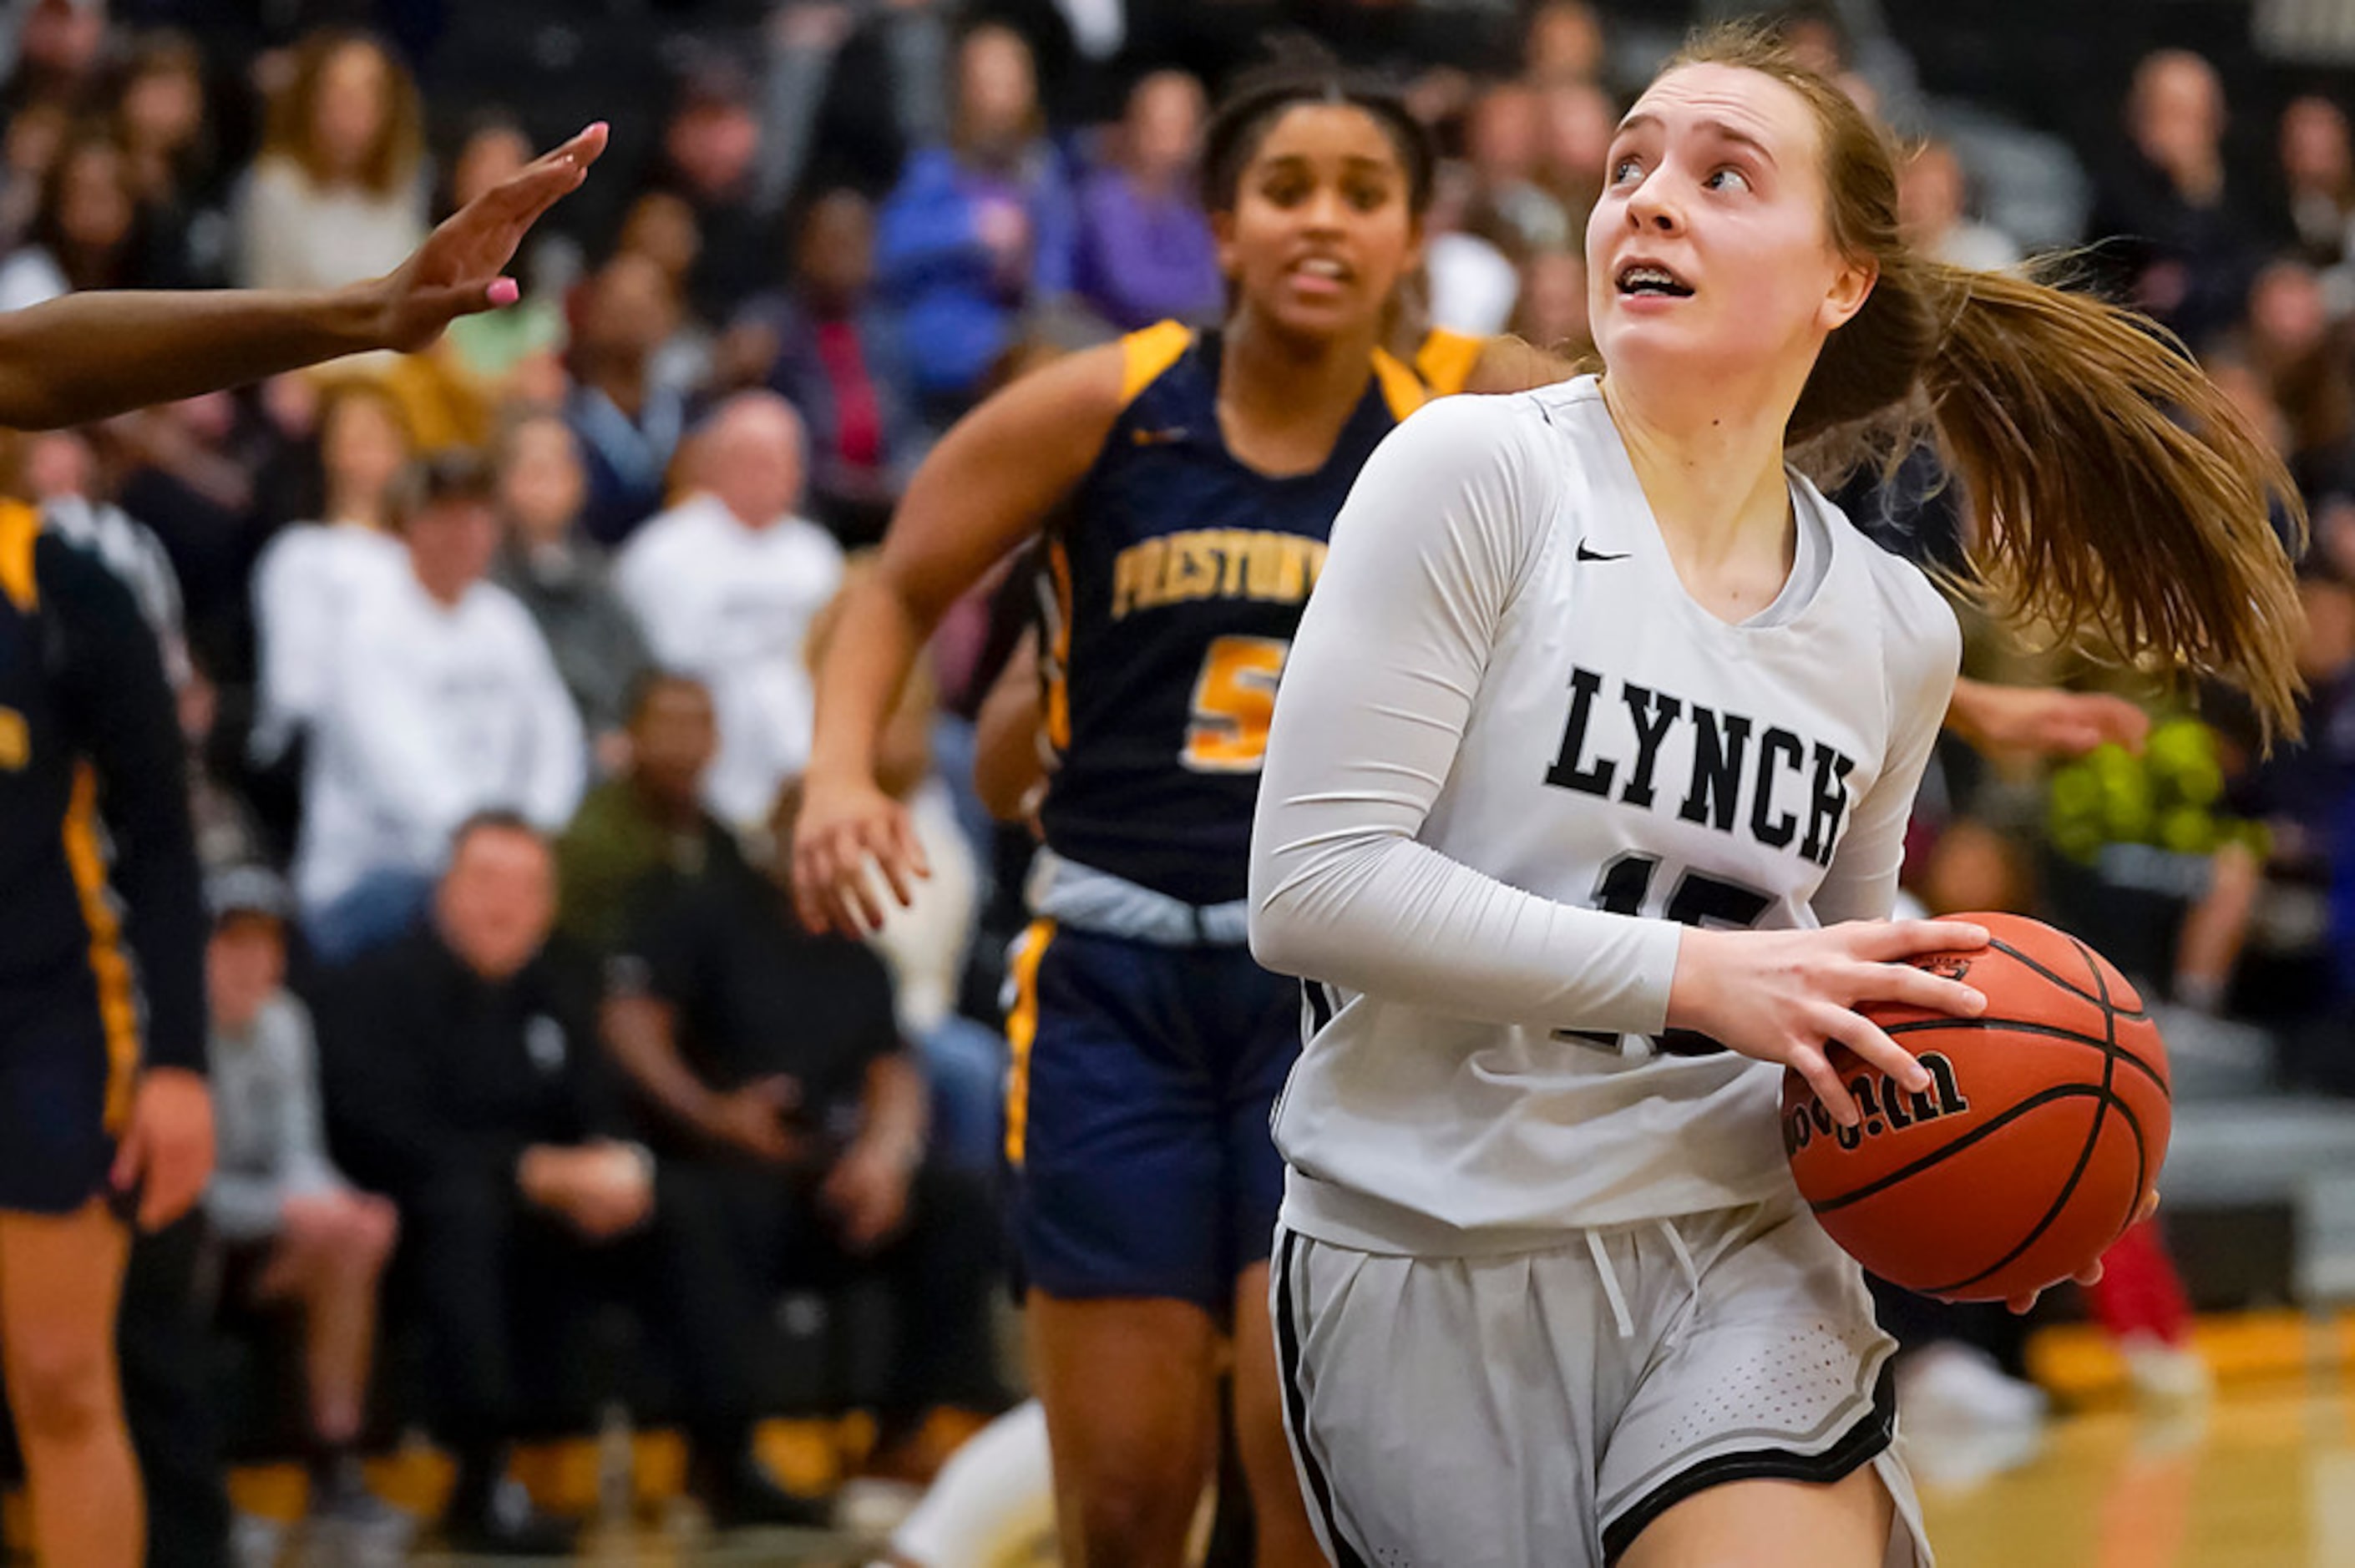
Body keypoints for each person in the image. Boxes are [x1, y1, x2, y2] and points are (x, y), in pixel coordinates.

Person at [1241, 26, 2301, 1568]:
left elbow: (1832, 1000)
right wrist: (1708, 975)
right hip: (1428, 1248)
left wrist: (1981, 1161)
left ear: (1841, 278)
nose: (1647, 201)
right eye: (1628, 168)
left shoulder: (1894, 626)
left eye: (1721, 173)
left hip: (1737, 1251)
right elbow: (1315, 885)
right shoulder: (1475, 473)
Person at [797, 45, 1504, 1568]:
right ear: (1221, 225)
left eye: (1364, 194)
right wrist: (843, 768)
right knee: (1124, 1497)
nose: (1324, 221)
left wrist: (1950, 691)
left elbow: (1712, 498)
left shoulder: (1472, 416)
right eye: (1286, 189)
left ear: (1410, 239)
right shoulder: (1103, 405)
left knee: (1302, 1472)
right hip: (1110, 980)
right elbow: (895, 583)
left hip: (1334, 998)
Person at [0, 119, 603, 1568]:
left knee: (67, 1381)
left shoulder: (62, 584)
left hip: (36, 1001)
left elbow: (37, 354)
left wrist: (363, 317)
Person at [201, 864, 400, 1525]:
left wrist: (345, 1208)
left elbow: (301, 1155)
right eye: (232, 943)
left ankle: (334, 1462)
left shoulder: (285, 1023)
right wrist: (288, 1209)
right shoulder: (168, 1030)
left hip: (252, 1239)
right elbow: (174, 1189)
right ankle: (202, 1482)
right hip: (179, 1236)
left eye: (267, 945)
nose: (252, 962)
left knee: (354, 1241)